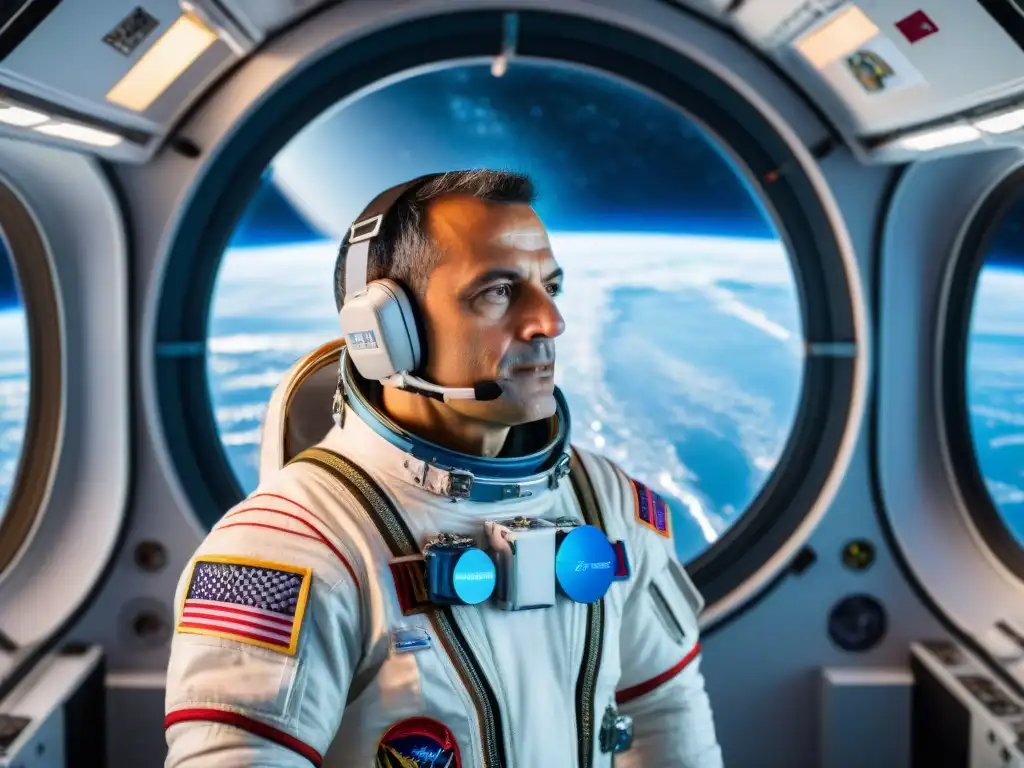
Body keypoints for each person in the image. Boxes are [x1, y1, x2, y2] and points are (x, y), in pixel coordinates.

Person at [163, 169, 723, 767]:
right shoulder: (286, 549)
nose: (549, 322)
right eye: (499, 292)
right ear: (385, 333)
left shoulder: (605, 502)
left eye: (550, 287)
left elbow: (666, 716)